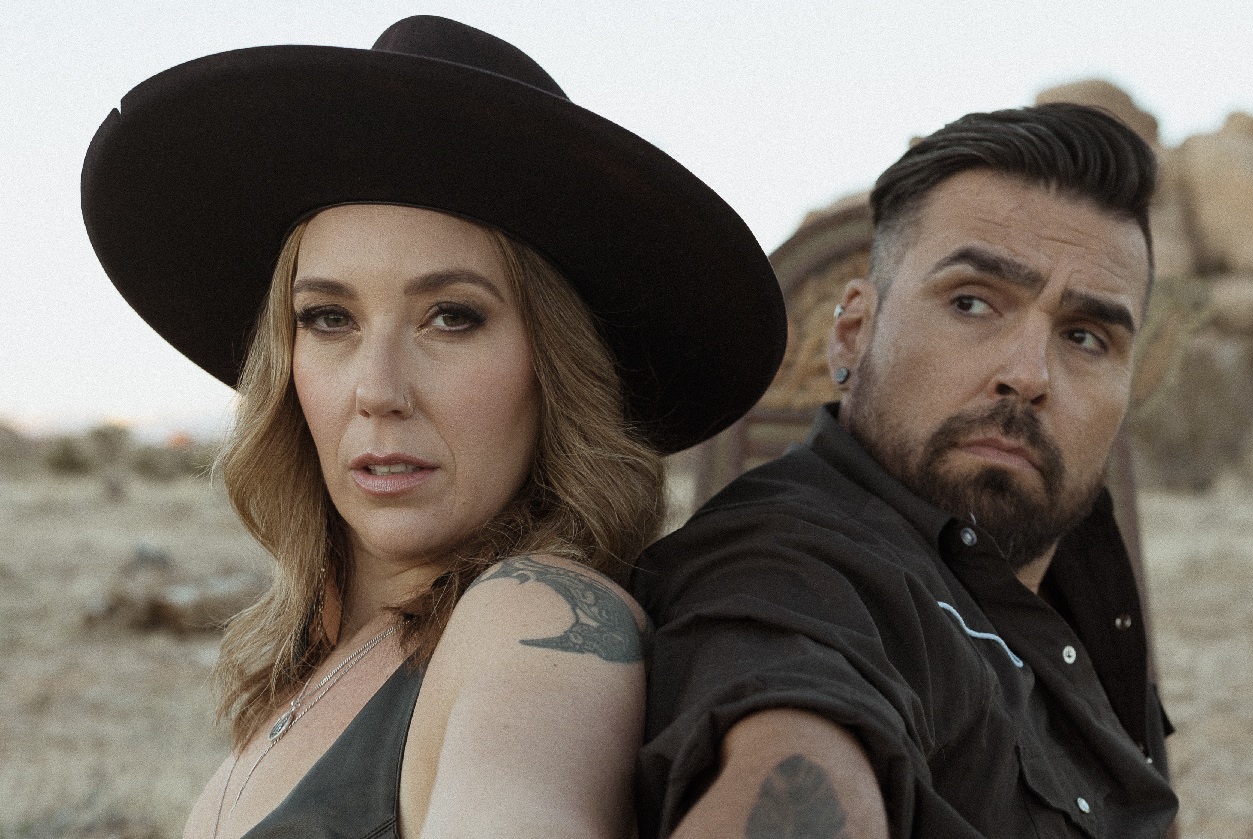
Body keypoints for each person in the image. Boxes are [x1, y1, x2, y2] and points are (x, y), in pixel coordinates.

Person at [81, 16, 785, 839]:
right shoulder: (305, 666)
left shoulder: (531, 617)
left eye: (452, 317)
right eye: (329, 317)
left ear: (554, 370)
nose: (377, 391)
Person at [633, 103, 1178, 838]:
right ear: (854, 331)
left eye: (1085, 335)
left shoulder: (1067, 548)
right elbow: (792, 711)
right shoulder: (792, 568)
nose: (1029, 373)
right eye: (973, 301)